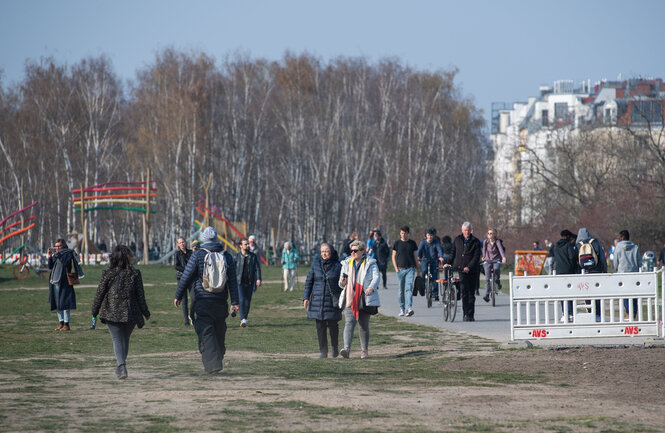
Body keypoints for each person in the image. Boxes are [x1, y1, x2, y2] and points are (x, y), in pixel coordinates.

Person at [174, 226, 239, 374]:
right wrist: (235, 301)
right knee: (219, 330)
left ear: (203, 239)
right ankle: (219, 353)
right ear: (216, 239)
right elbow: (233, 281)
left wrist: (178, 295)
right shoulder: (227, 256)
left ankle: (213, 365)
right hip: (221, 301)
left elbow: (186, 277)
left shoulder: (198, 255)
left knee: (206, 332)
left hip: (202, 299)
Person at [91, 245, 150, 379]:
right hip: (131, 311)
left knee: (117, 339)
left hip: (112, 310)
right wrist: (146, 313)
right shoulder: (135, 273)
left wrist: (94, 311)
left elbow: (99, 293)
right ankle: (122, 365)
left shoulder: (107, 273)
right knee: (125, 339)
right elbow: (140, 295)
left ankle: (121, 366)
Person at [339, 240, 380, 359]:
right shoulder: (346, 263)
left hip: (364, 297)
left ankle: (364, 351)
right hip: (350, 296)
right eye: (351, 250)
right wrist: (342, 282)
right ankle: (346, 349)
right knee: (349, 322)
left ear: (362, 251)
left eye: (355, 251)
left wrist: (371, 287)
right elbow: (341, 283)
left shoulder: (370, 263)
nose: (353, 253)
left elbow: (376, 276)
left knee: (363, 325)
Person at [303, 243, 343, 358]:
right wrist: (306, 297)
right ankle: (323, 351)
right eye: (322, 252)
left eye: (326, 251)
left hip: (332, 301)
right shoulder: (315, 265)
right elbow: (309, 281)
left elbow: (343, 283)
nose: (324, 253)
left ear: (331, 252)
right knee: (320, 327)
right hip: (317, 300)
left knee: (333, 326)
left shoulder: (338, 265)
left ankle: (334, 348)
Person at [448, 222, 482, 322]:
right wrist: (448, 262)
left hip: (472, 270)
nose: (467, 232)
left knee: (471, 293)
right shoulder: (457, 240)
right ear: (462, 231)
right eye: (465, 230)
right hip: (461, 268)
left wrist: (469, 267)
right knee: (464, 292)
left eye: (468, 230)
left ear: (471, 230)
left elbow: (476, 256)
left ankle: (470, 315)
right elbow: (453, 252)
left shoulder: (475, 242)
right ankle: (465, 314)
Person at [48, 238, 84, 331]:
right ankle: (61, 323)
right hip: (54, 280)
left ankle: (67, 324)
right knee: (57, 303)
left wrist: (57, 254)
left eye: (59, 246)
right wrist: (49, 257)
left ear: (63, 246)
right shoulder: (56, 254)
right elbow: (50, 266)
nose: (57, 247)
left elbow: (66, 263)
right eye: (55, 246)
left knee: (65, 303)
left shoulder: (68, 253)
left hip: (64, 281)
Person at [576, 228, 607, 321]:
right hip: (596, 271)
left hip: (584, 272)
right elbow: (601, 257)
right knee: (597, 293)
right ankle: (598, 313)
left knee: (587, 292)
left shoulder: (578, 244)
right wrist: (604, 270)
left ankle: (590, 311)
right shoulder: (595, 242)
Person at [551, 229, 578, 322]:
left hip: (559, 271)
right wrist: (574, 268)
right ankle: (571, 313)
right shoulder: (568, 245)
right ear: (567, 236)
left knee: (562, 293)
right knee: (570, 292)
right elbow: (572, 257)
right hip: (568, 271)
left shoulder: (556, 246)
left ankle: (564, 313)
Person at [613, 230, 641, 319]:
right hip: (633, 273)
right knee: (634, 294)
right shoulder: (635, 247)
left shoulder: (618, 247)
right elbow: (639, 262)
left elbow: (616, 261)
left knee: (625, 294)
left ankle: (628, 313)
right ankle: (634, 312)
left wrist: (617, 269)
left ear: (622, 237)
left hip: (622, 273)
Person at [392, 225, 419, 317]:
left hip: (410, 269)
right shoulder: (397, 243)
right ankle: (401, 308)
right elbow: (393, 257)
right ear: (400, 233)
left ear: (408, 234)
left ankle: (409, 308)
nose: (403, 235)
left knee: (409, 289)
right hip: (400, 269)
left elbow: (416, 257)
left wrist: (418, 270)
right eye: (402, 233)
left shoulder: (412, 243)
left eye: (405, 233)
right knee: (400, 291)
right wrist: (396, 268)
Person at [235, 238, 262, 328]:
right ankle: (242, 319)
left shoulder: (253, 256)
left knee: (247, 301)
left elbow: (257, 268)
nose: (248, 246)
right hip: (240, 282)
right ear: (241, 246)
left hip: (250, 282)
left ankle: (244, 319)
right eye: (245, 244)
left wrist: (258, 279)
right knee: (242, 300)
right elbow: (232, 269)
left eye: (248, 244)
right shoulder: (236, 257)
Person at [417, 228, 444, 300]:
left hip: (434, 260)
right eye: (428, 235)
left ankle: (435, 294)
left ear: (433, 236)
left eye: (431, 235)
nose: (430, 237)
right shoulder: (423, 243)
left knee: (435, 277)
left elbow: (439, 250)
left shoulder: (436, 242)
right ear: (426, 235)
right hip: (424, 260)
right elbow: (419, 251)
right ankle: (422, 288)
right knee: (424, 272)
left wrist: (440, 256)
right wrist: (418, 257)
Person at [481, 228, 506, 303]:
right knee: (487, 278)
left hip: (496, 260)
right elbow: (484, 250)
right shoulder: (485, 242)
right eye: (488, 233)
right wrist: (483, 256)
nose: (489, 235)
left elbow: (501, 250)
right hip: (488, 260)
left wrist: (503, 257)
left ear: (494, 234)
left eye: (491, 233)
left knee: (496, 269)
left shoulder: (497, 242)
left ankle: (497, 280)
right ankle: (487, 294)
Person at [174, 237, 193, 326]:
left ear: (186, 243)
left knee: (194, 298)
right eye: (180, 243)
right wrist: (186, 269)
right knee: (184, 300)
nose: (182, 244)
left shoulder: (191, 252)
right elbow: (176, 266)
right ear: (178, 244)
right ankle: (186, 321)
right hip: (181, 279)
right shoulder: (177, 254)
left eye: (183, 242)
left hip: (191, 278)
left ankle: (192, 316)